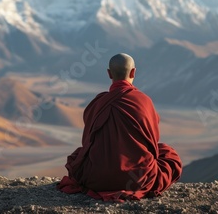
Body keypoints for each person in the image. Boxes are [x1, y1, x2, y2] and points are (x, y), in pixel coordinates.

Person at [57, 53, 182, 202]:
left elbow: (87, 142)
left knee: (79, 155)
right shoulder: (144, 101)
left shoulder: (97, 103)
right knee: (168, 154)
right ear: (133, 72)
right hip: (137, 178)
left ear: (109, 73)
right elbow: (152, 143)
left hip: (96, 179)